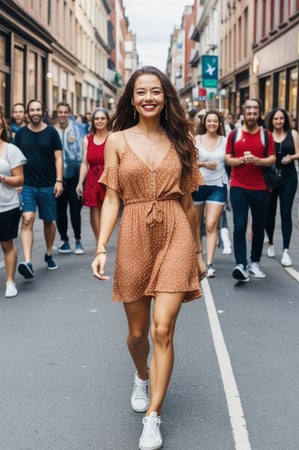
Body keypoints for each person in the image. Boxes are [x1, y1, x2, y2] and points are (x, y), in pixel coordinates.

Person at [91, 65, 206, 450]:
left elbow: (189, 203)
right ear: (132, 98)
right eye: (141, 92)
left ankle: (153, 416)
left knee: (162, 329)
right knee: (138, 333)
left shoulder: (182, 140)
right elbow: (111, 198)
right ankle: (142, 374)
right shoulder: (118, 141)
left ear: (166, 96)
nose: (149, 98)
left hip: (175, 231)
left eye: (155, 91)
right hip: (136, 232)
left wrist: (198, 252)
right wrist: (102, 246)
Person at [225, 98, 276, 282]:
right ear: (243, 111)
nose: (252, 113)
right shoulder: (234, 134)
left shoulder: (266, 135)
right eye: (249, 109)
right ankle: (241, 264)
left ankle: (255, 262)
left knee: (258, 226)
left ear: (259, 113)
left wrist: (257, 161)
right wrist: (238, 161)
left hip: (261, 187)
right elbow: (227, 158)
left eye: (255, 109)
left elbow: (272, 158)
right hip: (238, 185)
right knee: (239, 225)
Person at [15, 99, 63, 278]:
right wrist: (17, 182)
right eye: (32, 110)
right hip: (27, 184)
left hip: (48, 184)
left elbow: (59, 158)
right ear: (28, 112)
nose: (35, 112)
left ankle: (49, 253)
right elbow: (15, 160)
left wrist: (59, 180)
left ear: (43, 111)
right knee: (27, 218)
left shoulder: (51, 133)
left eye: (38, 109)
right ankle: (27, 261)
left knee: (49, 221)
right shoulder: (20, 134)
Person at [192, 110, 228, 278]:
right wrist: (206, 164)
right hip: (198, 185)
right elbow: (190, 162)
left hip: (218, 186)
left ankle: (210, 263)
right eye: (209, 121)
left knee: (211, 224)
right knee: (196, 224)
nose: (212, 124)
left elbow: (231, 159)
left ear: (220, 123)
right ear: (204, 123)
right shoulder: (196, 139)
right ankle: (198, 257)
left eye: (215, 121)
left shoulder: (225, 141)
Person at [265, 108, 299, 266]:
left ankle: (286, 250)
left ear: (285, 119)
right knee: (270, 212)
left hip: (289, 178)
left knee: (286, 212)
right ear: (271, 120)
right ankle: (271, 242)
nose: (279, 121)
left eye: (281, 118)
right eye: (276, 119)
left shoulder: (292, 134)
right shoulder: (267, 135)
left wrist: (291, 157)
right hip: (272, 178)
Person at [0, 112, 26, 297]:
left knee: (7, 244)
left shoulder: (11, 150)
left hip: (6, 205)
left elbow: (20, 179)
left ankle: (10, 281)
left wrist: (3, 178)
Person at [76, 108, 111, 241]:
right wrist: (80, 182)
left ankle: (104, 239)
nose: (99, 121)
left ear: (107, 120)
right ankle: (99, 243)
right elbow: (85, 163)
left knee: (107, 211)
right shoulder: (87, 139)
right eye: (96, 119)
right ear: (92, 121)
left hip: (108, 178)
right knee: (94, 210)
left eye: (102, 118)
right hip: (92, 179)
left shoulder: (112, 138)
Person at [54, 102, 84, 254]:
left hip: (75, 174)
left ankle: (78, 240)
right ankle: (64, 240)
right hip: (57, 176)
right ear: (57, 113)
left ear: (69, 113)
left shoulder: (78, 130)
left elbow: (84, 154)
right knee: (60, 210)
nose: (63, 115)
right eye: (60, 112)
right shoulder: (52, 130)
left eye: (65, 112)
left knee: (75, 209)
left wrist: (81, 180)